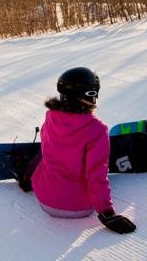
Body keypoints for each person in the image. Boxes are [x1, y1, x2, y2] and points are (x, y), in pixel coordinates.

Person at [22, 67, 136, 234]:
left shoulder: (51, 116)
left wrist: (28, 177)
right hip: (78, 207)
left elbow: (45, 150)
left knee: (50, 153)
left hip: (44, 201)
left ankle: (29, 176)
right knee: (96, 168)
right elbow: (96, 175)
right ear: (91, 94)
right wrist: (107, 213)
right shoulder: (96, 129)